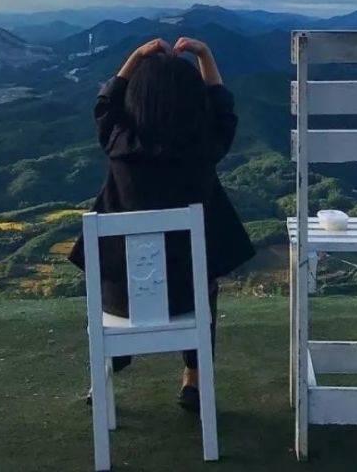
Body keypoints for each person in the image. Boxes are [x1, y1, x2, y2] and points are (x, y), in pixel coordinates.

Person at [69, 36, 255, 412]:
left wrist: (136, 56)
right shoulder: (205, 147)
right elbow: (223, 108)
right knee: (205, 281)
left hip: (121, 301)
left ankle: (110, 361)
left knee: (117, 274)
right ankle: (194, 375)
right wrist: (206, 54)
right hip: (187, 299)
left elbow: (104, 104)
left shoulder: (119, 145)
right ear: (194, 104)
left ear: (134, 100)